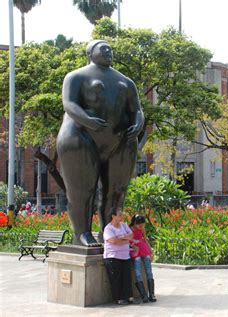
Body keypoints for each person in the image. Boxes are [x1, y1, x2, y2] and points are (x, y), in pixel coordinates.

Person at [57, 40, 144, 247]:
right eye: (103, 48)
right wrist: (87, 120)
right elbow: (69, 104)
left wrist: (138, 124)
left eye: (110, 48)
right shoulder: (76, 76)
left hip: (119, 140)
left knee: (116, 190)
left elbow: (137, 110)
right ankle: (82, 233)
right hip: (80, 137)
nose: (108, 51)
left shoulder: (126, 81)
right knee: (82, 190)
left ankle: (109, 230)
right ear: (90, 52)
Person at [103, 208, 136, 305]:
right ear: (113, 216)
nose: (122, 216)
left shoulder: (124, 225)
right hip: (112, 256)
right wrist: (125, 239)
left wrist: (121, 238)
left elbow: (131, 235)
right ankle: (119, 298)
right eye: (120, 214)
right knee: (116, 279)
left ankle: (128, 296)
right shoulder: (108, 228)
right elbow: (114, 241)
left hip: (125, 256)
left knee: (126, 277)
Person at [129, 214, 157, 303]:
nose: (141, 226)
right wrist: (133, 247)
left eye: (143, 225)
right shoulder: (129, 230)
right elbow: (128, 241)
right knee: (138, 273)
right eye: (139, 225)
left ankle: (151, 294)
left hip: (144, 249)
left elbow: (145, 240)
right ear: (134, 223)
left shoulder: (142, 230)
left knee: (149, 271)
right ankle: (143, 295)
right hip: (135, 251)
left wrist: (150, 250)